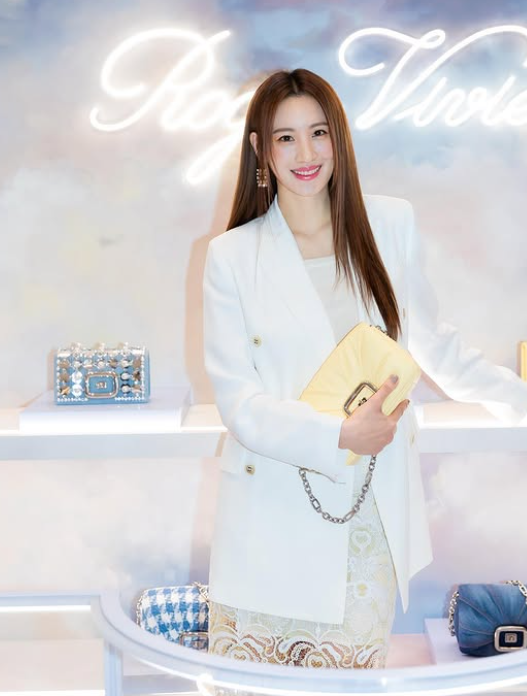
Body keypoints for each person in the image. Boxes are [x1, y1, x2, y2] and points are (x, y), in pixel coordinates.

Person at [202, 68, 527, 669]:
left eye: (319, 133)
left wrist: (517, 399)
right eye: (285, 138)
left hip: (365, 512)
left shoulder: (388, 225)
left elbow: (432, 344)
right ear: (260, 149)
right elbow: (238, 401)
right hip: (270, 508)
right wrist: (339, 434)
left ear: (339, 138)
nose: (306, 154)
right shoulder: (232, 256)